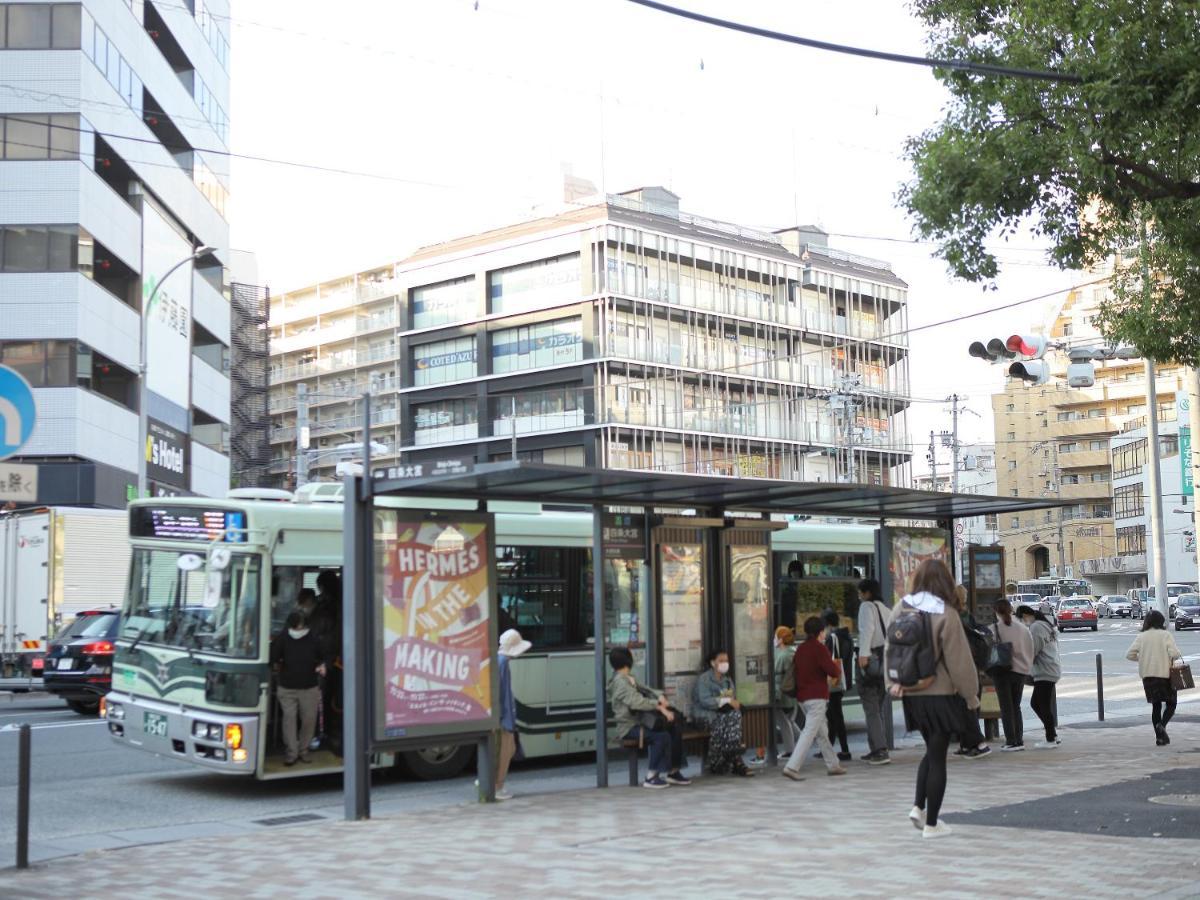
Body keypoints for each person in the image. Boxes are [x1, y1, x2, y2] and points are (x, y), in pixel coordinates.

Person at [888, 559, 980, 839]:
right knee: (938, 757)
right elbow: (960, 661)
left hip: (911, 693)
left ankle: (918, 806)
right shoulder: (946, 612)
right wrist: (971, 695)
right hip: (940, 694)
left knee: (931, 750)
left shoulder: (901, 606)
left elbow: (890, 649)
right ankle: (932, 824)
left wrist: (891, 683)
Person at [607, 647, 690, 789]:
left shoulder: (628, 678)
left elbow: (646, 689)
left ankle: (673, 772)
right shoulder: (620, 682)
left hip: (642, 721)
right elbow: (636, 702)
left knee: (674, 728)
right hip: (629, 726)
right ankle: (651, 776)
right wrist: (658, 705)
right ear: (628, 661)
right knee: (662, 737)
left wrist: (660, 696)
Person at [781, 616, 847, 781]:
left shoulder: (801, 648)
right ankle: (792, 766)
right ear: (820, 632)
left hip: (802, 697)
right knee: (809, 731)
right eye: (823, 631)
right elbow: (833, 671)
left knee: (822, 731)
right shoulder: (819, 648)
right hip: (817, 696)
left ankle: (833, 764)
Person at [269, 610, 327, 766]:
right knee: (290, 719)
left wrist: (322, 665)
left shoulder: (312, 638)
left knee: (308, 719)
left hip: (308, 686)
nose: (299, 630)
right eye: (296, 627)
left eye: (301, 626)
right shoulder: (283, 638)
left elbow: (322, 656)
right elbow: (273, 656)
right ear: (291, 625)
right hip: (288, 687)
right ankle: (292, 752)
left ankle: (303, 750)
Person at [1126, 611, 1184, 745]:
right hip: (1164, 675)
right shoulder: (1165, 635)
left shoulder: (1142, 636)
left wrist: (1143, 659)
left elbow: (1129, 655)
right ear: (1161, 622)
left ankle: (1159, 738)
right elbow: (1175, 654)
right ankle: (1162, 725)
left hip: (1148, 676)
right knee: (1171, 704)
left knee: (1156, 706)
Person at [693, 649, 753, 776]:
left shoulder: (727, 680)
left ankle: (722, 761)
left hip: (724, 716)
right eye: (721, 661)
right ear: (712, 663)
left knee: (733, 716)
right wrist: (727, 701)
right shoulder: (704, 679)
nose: (724, 663)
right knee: (731, 719)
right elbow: (705, 701)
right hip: (705, 716)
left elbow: (732, 699)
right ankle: (733, 760)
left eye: (726, 660)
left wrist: (734, 703)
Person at [950, 585, 991, 759]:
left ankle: (978, 742)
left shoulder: (955, 617)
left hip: (962, 664)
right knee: (967, 704)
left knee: (964, 705)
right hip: (971, 665)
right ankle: (967, 743)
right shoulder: (967, 615)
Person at [856, 577, 892, 765]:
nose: (860, 596)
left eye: (861, 592)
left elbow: (866, 630)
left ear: (867, 593)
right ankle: (876, 746)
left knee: (871, 708)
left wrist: (863, 655)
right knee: (878, 706)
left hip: (871, 659)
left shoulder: (866, 607)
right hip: (886, 662)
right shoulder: (886, 610)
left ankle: (879, 750)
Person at [494, 628, 531, 801]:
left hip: (503, 716)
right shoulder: (502, 663)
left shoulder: (499, 661)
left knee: (507, 750)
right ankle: (497, 786)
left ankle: (492, 783)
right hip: (504, 718)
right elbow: (503, 694)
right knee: (505, 751)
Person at [992, 598, 1034, 752]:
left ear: (996, 612)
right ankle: (1019, 739)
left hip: (1002, 672)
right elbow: (1031, 650)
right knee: (1016, 706)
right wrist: (1026, 668)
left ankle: (1011, 741)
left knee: (1006, 707)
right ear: (1011, 610)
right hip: (1020, 672)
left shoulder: (994, 629)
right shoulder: (1023, 629)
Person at [1017, 604, 1062, 748]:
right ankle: (1052, 734)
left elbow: (1033, 649)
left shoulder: (1036, 627)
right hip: (1050, 668)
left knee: (1040, 704)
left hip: (1045, 670)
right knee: (1038, 703)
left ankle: (1051, 738)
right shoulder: (1046, 624)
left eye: (1021, 619)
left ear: (1024, 616)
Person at [823, 610, 852, 762]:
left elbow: (827, 660)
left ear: (827, 624)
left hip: (833, 681)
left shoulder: (832, 638)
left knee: (836, 716)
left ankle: (845, 750)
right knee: (832, 716)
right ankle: (829, 748)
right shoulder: (846, 636)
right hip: (843, 680)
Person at [773, 626, 801, 753]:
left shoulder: (782, 655)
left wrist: (775, 695)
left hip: (782, 693)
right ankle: (802, 741)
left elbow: (777, 677)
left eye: (775, 637)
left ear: (780, 640)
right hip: (793, 693)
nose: (774, 639)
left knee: (783, 722)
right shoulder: (794, 652)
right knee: (789, 720)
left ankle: (790, 751)